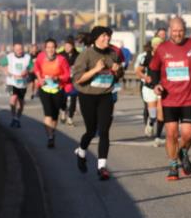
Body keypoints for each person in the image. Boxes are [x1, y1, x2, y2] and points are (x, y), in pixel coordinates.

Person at [148, 17, 191, 181]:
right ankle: (173, 166)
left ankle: (183, 151)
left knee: (189, 134)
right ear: (170, 30)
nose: (177, 34)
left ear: (185, 30)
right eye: (175, 31)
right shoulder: (162, 48)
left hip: (189, 97)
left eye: (181, 31)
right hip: (169, 99)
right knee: (171, 134)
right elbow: (153, 69)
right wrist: (156, 84)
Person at [71, 26, 125, 181]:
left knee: (104, 130)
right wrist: (95, 70)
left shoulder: (113, 54)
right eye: (104, 36)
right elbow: (78, 79)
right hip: (88, 96)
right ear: (96, 38)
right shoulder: (86, 54)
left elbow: (118, 75)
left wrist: (118, 69)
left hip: (105, 96)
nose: (107, 38)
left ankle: (102, 167)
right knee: (91, 130)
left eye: (108, 36)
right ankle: (81, 152)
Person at [33, 38, 72, 148]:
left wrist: (57, 78)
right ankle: (50, 137)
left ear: (56, 48)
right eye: (48, 47)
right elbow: (36, 68)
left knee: (54, 116)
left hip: (57, 90)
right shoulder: (41, 57)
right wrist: (39, 78)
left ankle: (52, 132)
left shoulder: (61, 59)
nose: (50, 49)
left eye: (53, 47)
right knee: (48, 114)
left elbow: (67, 75)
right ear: (45, 48)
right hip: (44, 89)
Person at [136, 37, 165, 139]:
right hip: (149, 87)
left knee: (161, 113)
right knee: (153, 115)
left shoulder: (166, 56)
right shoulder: (147, 57)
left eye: (160, 44)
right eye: (156, 44)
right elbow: (138, 70)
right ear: (152, 46)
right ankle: (151, 123)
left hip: (162, 88)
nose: (158, 46)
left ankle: (158, 136)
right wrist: (145, 77)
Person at [5, 43, 32, 127]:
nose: (19, 51)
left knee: (21, 103)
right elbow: (2, 65)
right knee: (13, 99)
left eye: (20, 49)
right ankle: (13, 117)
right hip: (11, 82)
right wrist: (8, 73)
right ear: (14, 49)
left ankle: (17, 118)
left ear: (23, 49)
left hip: (22, 83)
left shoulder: (27, 57)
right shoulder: (9, 56)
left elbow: (32, 67)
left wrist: (26, 72)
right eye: (17, 49)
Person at [58, 36, 80, 126]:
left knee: (73, 99)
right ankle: (63, 110)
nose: (67, 48)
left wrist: (75, 68)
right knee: (62, 99)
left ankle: (70, 118)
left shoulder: (78, 55)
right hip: (63, 80)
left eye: (69, 46)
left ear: (73, 46)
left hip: (74, 80)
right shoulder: (60, 55)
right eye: (66, 46)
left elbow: (81, 65)